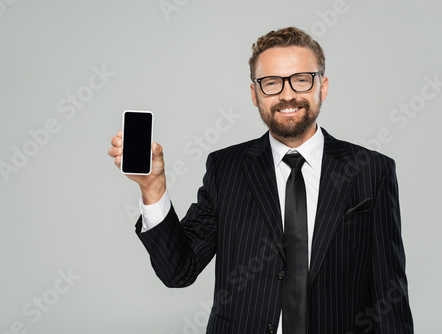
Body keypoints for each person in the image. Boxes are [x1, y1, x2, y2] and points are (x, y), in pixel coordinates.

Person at [108, 27, 413, 334]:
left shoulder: (372, 170)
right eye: (271, 83)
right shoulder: (225, 168)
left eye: (302, 79)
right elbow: (178, 271)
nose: (287, 94)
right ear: (255, 94)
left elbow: (390, 293)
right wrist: (153, 187)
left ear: (323, 87)